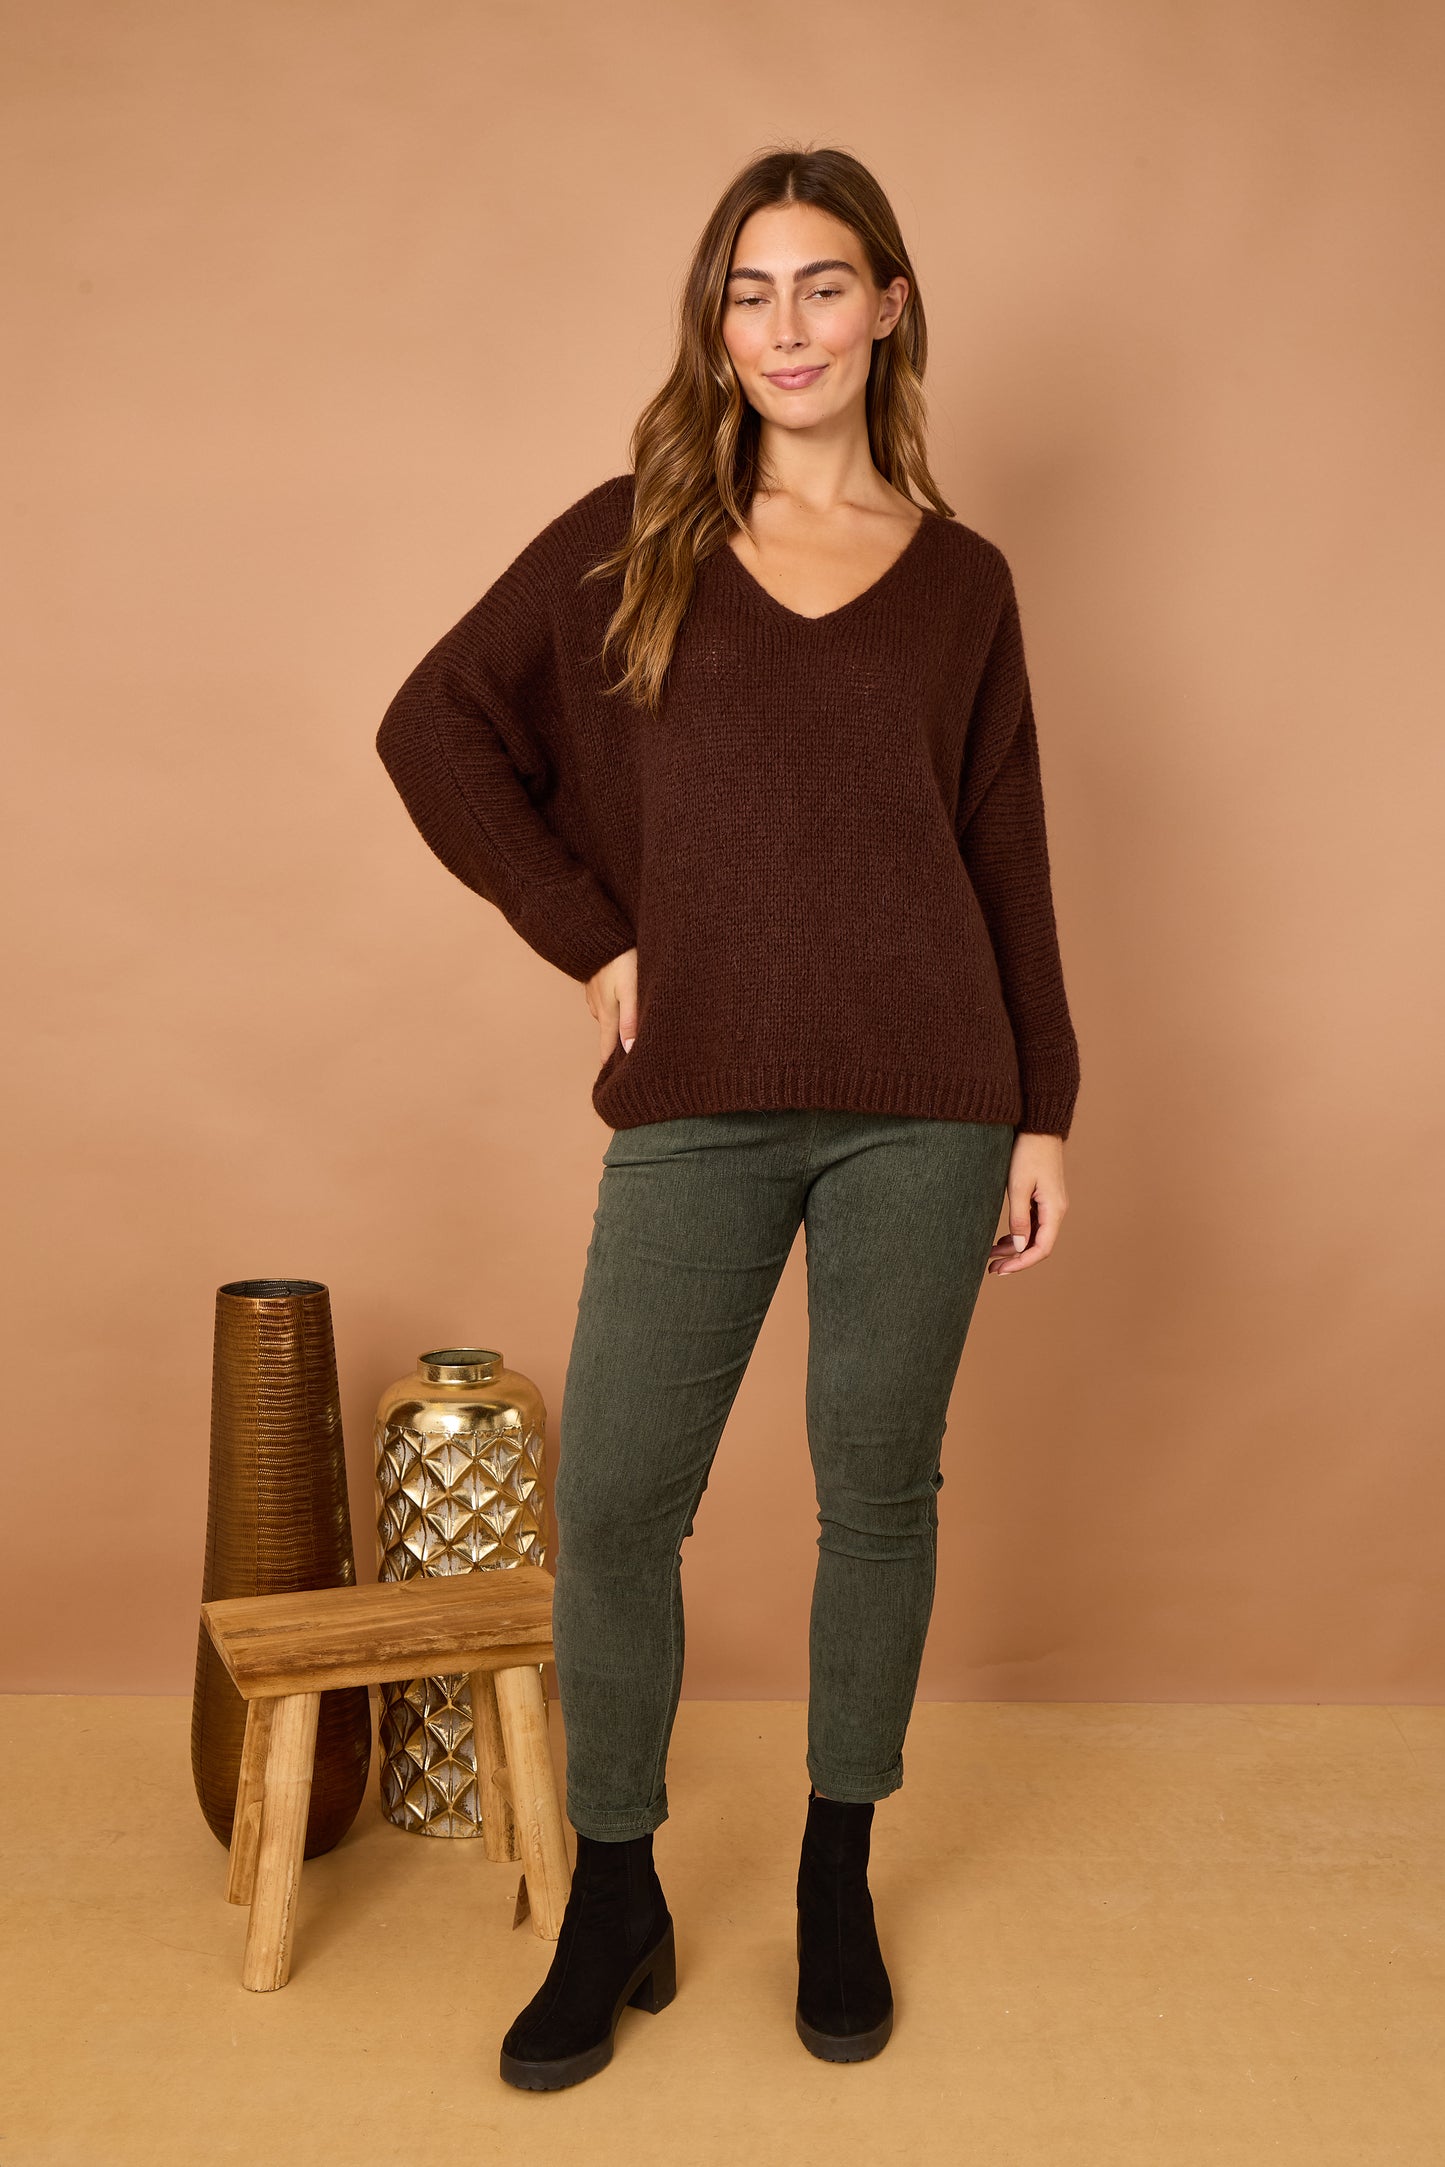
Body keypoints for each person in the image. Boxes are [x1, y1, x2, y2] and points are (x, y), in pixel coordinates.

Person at [375, 143, 1081, 2091]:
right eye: (749, 292)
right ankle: (617, 1891)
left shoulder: (962, 585)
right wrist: (591, 937)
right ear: (715, 327)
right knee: (617, 1501)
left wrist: (1042, 1109)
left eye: (822, 284)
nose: (787, 326)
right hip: (699, 1096)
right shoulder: (633, 539)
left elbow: (1006, 851)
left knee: (878, 1492)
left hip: (930, 1102)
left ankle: (839, 1869)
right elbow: (434, 727)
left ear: (889, 308)